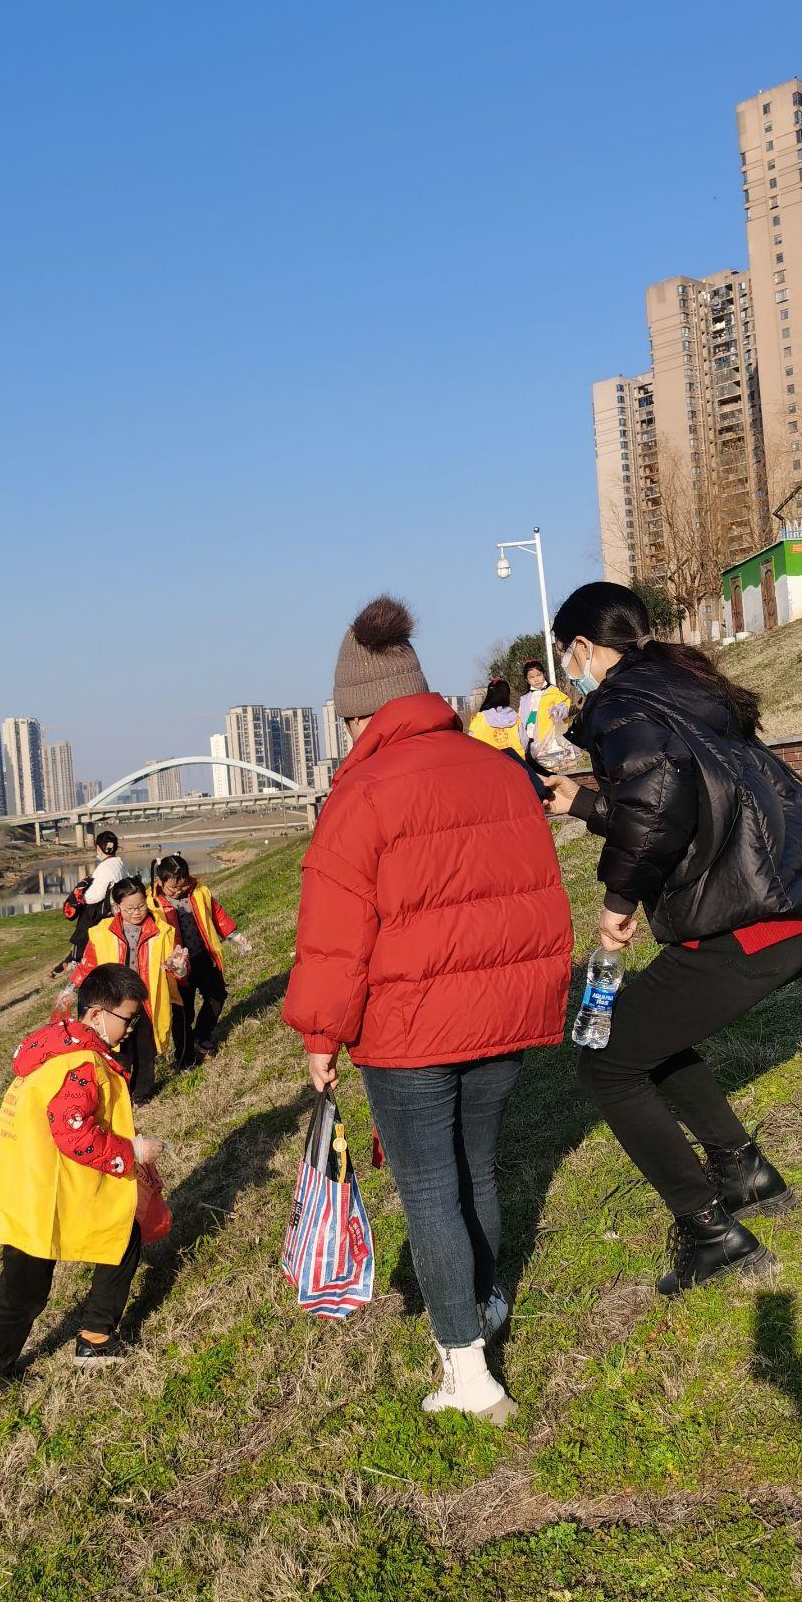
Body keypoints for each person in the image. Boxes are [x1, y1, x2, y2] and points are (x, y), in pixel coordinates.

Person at [281, 596, 573, 1422]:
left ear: (360, 713)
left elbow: (336, 934)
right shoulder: (493, 767)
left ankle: (467, 1369)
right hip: (503, 1013)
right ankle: (484, 1304)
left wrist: (320, 1034)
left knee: (430, 1191)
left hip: (409, 1030)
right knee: (476, 1168)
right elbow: (533, 894)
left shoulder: (361, 791)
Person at [541, 582, 802, 1296]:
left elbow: (659, 799)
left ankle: (711, 1233)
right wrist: (588, 804)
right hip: (788, 901)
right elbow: (679, 797)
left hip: (751, 917)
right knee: (644, 1033)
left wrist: (616, 901)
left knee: (606, 1064)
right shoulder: (679, 685)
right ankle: (741, 1170)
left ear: (581, 646)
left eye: (566, 653)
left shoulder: (623, 703)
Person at [0, 962, 162, 1400]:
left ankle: (92, 1339)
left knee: (121, 1240)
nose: (132, 1028)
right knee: (26, 1285)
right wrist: (133, 1152)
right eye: (128, 1018)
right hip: (47, 1190)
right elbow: (74, 1132)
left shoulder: (55, 1047)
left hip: (40, 1182)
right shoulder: (82, 1062)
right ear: (95, 1015)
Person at [67, 875, 178, 1104]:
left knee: (146, 1050)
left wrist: (179, 966)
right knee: (118, 1050)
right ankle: (119, 1095)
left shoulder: (162, 930)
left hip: (147, 1000)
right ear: (117, 907)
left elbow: (173, 963)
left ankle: (142, 1094)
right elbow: (89, 963)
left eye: (141, 905)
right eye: (130, 908)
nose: (137, 912)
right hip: (115, 1003)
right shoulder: (102, 932)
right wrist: (70, 987)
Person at [149, 854, 250, 1066]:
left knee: (217, 995)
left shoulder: (199, 892)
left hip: (202, 956)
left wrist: (234, 935)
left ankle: (202, 1035)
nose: (179, 891)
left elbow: (216, 914)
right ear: (160, 882)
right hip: (175, 968)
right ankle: (184, 1058)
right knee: (183, 1012)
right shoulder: (152, 904)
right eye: (173, 888)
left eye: (182, 885)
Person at [52, 831, 131, 975]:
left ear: (99, 848)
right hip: (116, 906)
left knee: (84, 922)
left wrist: (81, 896)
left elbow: (95, 896)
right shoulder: (119, 863)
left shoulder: (105, 867)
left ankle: (74, 959)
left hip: (106, 911)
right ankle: (72, 958)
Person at [517, 658, 572, 762]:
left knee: (550, 773)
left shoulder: (554, 692)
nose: (536, 679)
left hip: (549, 741)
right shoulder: (524, 699)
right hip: (529, 741)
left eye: (539, 675)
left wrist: (556, 711)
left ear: (544, 674)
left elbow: (564, 707)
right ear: (526, 680)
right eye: (532, 677)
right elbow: (521, 720)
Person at [467, 678, 525, 755]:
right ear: (507, 695)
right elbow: (524, 742)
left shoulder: (480, 718)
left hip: (489, 762)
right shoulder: (515, 717)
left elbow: (471, 743)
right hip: (515, 763)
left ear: (489, 695)